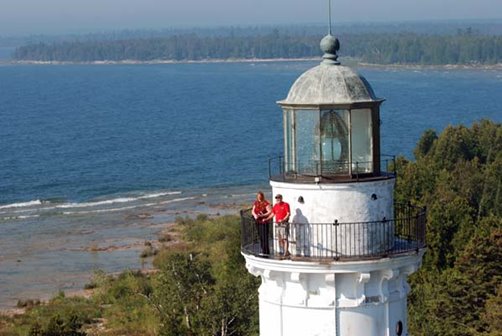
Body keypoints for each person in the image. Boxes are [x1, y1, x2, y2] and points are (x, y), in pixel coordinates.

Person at [251, 191, 272, 255]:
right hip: (257, 221)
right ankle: (263, 250)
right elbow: (253, 210)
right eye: (258, 196)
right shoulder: (256, 203)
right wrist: (254, 215)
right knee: (260, 236)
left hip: (264, 222)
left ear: (262, 196)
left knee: (264, 237)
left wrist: (262, 216)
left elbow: (270, 211)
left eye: (260, 196)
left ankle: (266, 252)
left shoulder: (266, 203)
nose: (259, 197)